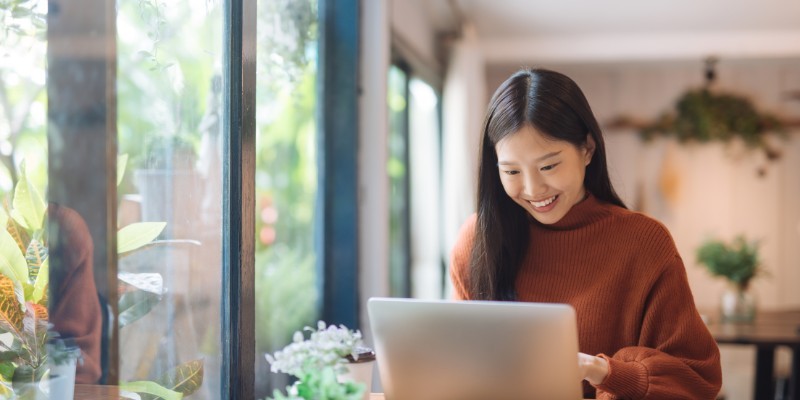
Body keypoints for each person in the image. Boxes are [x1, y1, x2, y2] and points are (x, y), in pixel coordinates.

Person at [449, 68, 722, 399]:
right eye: (512, 171)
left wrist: (603, 372)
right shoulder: (477, 241)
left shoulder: (644, 243)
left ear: (587, 149)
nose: (533, 189)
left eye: (549, 166)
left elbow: (697, 379)